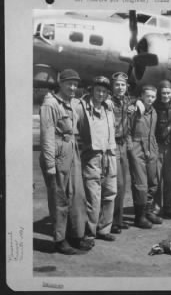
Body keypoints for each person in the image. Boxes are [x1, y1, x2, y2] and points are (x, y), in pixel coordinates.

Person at [39, 69, 92, 254]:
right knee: (59, 199)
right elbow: (46, 137)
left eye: (75, 84)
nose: (72, 87)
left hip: (72, 151)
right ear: (60, 83)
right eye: (69, 83)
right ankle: (59, 240)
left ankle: (76, 236)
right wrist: (50, 165)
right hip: (57, 153)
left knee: (77, 195)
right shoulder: (50, 104)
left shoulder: (71, 102)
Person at [76, 76, 117, 243]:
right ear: (91, 90)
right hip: (92, 156)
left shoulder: (109, 107)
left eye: (104, 91)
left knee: (110, 193)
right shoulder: (81, 107)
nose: (101, 94)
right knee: (93, 196)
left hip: (109, 154)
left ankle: (104, 228)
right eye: (98, 90)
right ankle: (89, 232)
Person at [127, 85, 161, 229]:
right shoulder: (134, 110)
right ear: (142, 96)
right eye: (148, 96)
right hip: (137, 148)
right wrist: (130, 149)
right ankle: (139, 217)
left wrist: (155, 149)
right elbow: (128, 130)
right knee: (141, 184)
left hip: (151, 148)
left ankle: (147, 211)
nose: (150, 99)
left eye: (153, 97)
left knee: (153, 182)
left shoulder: (154, 112)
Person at [109, 72, 136, 234]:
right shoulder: (108, 102)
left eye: (123, 85)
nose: (120, 88)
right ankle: (110, 221)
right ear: (113, 87)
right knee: (115, 184)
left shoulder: (127, 101)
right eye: (117, 85)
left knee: (123, 184)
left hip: (124, 144)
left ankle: (117, 220)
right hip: (112, 145)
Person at [153, 80, 171, 218]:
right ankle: (156, 206)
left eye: (168, 93)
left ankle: (168, 206)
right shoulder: (153, 105)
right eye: (163, 93)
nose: (166, 95)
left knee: (169, 178)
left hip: (170, 146)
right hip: (157, 145)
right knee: (156, 178)